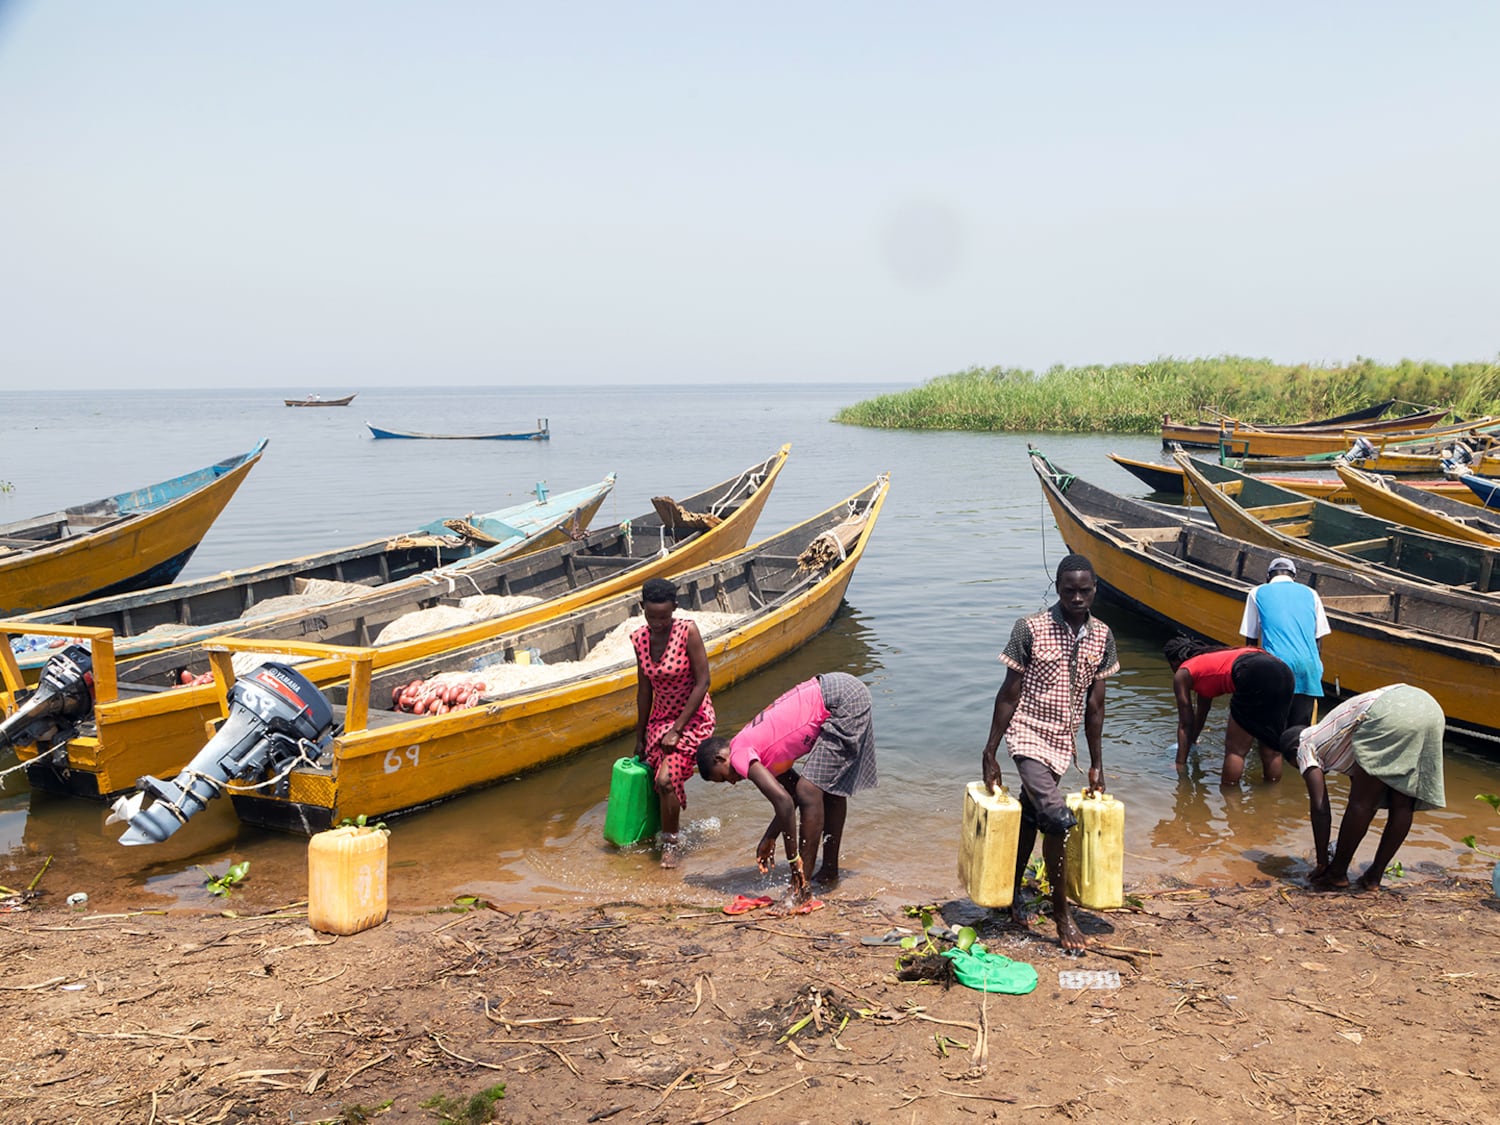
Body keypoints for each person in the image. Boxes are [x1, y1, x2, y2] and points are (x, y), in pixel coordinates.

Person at [978, 554, 1118, 953]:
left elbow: (1096, 707)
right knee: (1057, 820)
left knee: (1031, 816)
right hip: (1026, 734)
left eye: (1085, 590)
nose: (1077, 597)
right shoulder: (1030, 629)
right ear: (1058, 588)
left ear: (1094, 590)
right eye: (1069, 590)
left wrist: (1096, 765)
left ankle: (1011, 892)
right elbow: (1009, 692)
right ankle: (1062, 916)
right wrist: (991, 750)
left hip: (1062, 741)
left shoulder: (1102, 636)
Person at [697, 672, 877, 903]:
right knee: (824, 790)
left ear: (720, 759)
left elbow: (785, 802)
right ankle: (828, 872)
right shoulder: (757, 750)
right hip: (842, 690)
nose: (731, 782)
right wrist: (769, 837)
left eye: (722, 778)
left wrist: (794, 865)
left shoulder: (740, 754)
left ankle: (800, 887)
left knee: (808, 790)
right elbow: (788, 798)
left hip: (841, 699)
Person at [1280, 684, 1447, 892]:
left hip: (1389, 712)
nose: (1303, 770)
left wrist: (1323, 861)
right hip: (1429, 708)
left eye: (1296, 767)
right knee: (1402, 804)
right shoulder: (1337, 737)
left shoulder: (1305, 745)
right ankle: (1374, 876)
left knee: (1361, 804)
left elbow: (1320, 807)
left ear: (1294, 752)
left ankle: (1337, 874)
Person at [631, 577, 714, 870]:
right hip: (659, 720)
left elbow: (703, 682)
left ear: (675, 609)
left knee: (666, 780)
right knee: (658, 782)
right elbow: (644, 691)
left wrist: (677, 729)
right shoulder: (639, 639)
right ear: (642, 608)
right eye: (651, 616)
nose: (658, 623)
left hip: (692, 718)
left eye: (664, 616)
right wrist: (640, 737)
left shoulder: (687, 631)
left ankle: (671, 843)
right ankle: (662, 829)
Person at [1164, 636, 1294, 785]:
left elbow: (1185, 723)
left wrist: (1180, 764)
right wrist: (1192, 741)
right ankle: (1271, 797)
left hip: (1253, 672)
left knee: (1236, 750)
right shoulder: (1209, 661)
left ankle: (1230, 799)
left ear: (1174, 662)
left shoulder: (1183, 672)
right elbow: (1201, 712)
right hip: (1284, 672)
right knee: (1271, 748)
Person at [1240, 556, 1330, 727]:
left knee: (1271, 732)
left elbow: (1251, 642)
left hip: (1276, 667)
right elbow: (1318, 639)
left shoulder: (1257, 592)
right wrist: (1315, 672)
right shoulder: (1311, 593)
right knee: (1298, 733)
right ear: (1293, 577)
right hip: (1309, 667)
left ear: (1268, 577)